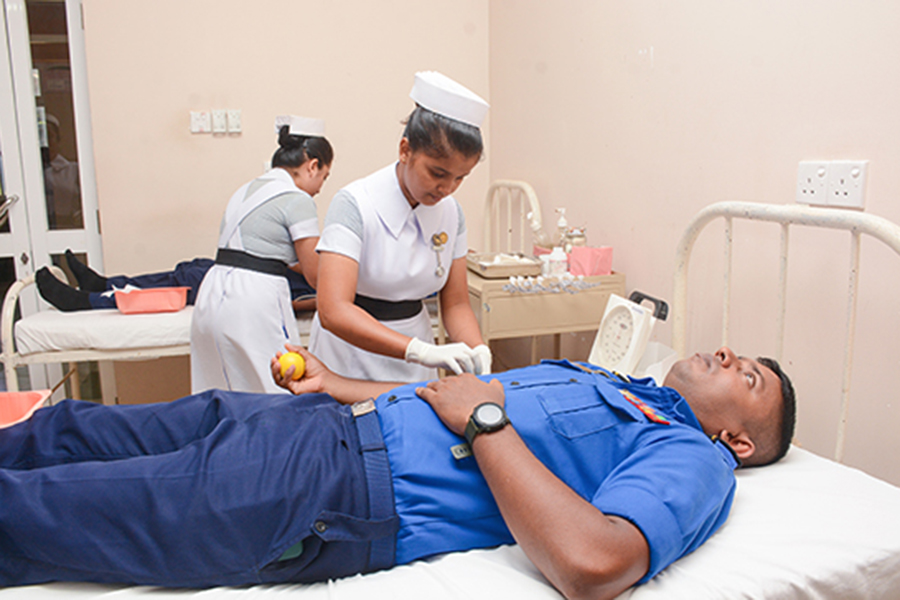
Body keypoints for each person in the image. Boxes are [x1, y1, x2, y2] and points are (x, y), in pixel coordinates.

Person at [0, 343, 796, 599]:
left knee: (45, 507)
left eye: (749, 377)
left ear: (739, 443)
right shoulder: (614, 381)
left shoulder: (690, 456)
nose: (729, 355)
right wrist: (334, 385)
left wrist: (486, 420)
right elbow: (447, 396)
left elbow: (599, 562)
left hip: (336, 493)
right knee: (72, 428)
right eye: (737, 351)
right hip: (318, 425)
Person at [310, 71, 490, 382]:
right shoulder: (355, 204)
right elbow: (333, 309)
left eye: (460, 178)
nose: (447, 188)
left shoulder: (451, 214)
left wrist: (476, 349)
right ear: (405, 150)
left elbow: (457, 303)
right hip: (350, 355)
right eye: (437, 173)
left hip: (415, 353)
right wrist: (421, 351)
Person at [190, 115, 332, 394]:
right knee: (280, 388)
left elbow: (268, 250)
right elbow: (315, 275)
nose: (320, 188)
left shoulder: (245, 190)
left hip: (212, 293)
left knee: (220, 394)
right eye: (324, 177)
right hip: (254, 297)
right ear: (312, 166)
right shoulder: (297, 199)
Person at [33, 250, 316, 313]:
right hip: (256, 272)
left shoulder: (343, 290)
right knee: (192, 268)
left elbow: (310, 303)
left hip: (250, 288)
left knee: (189, 280)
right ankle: (106, 284)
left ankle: (86, 301)